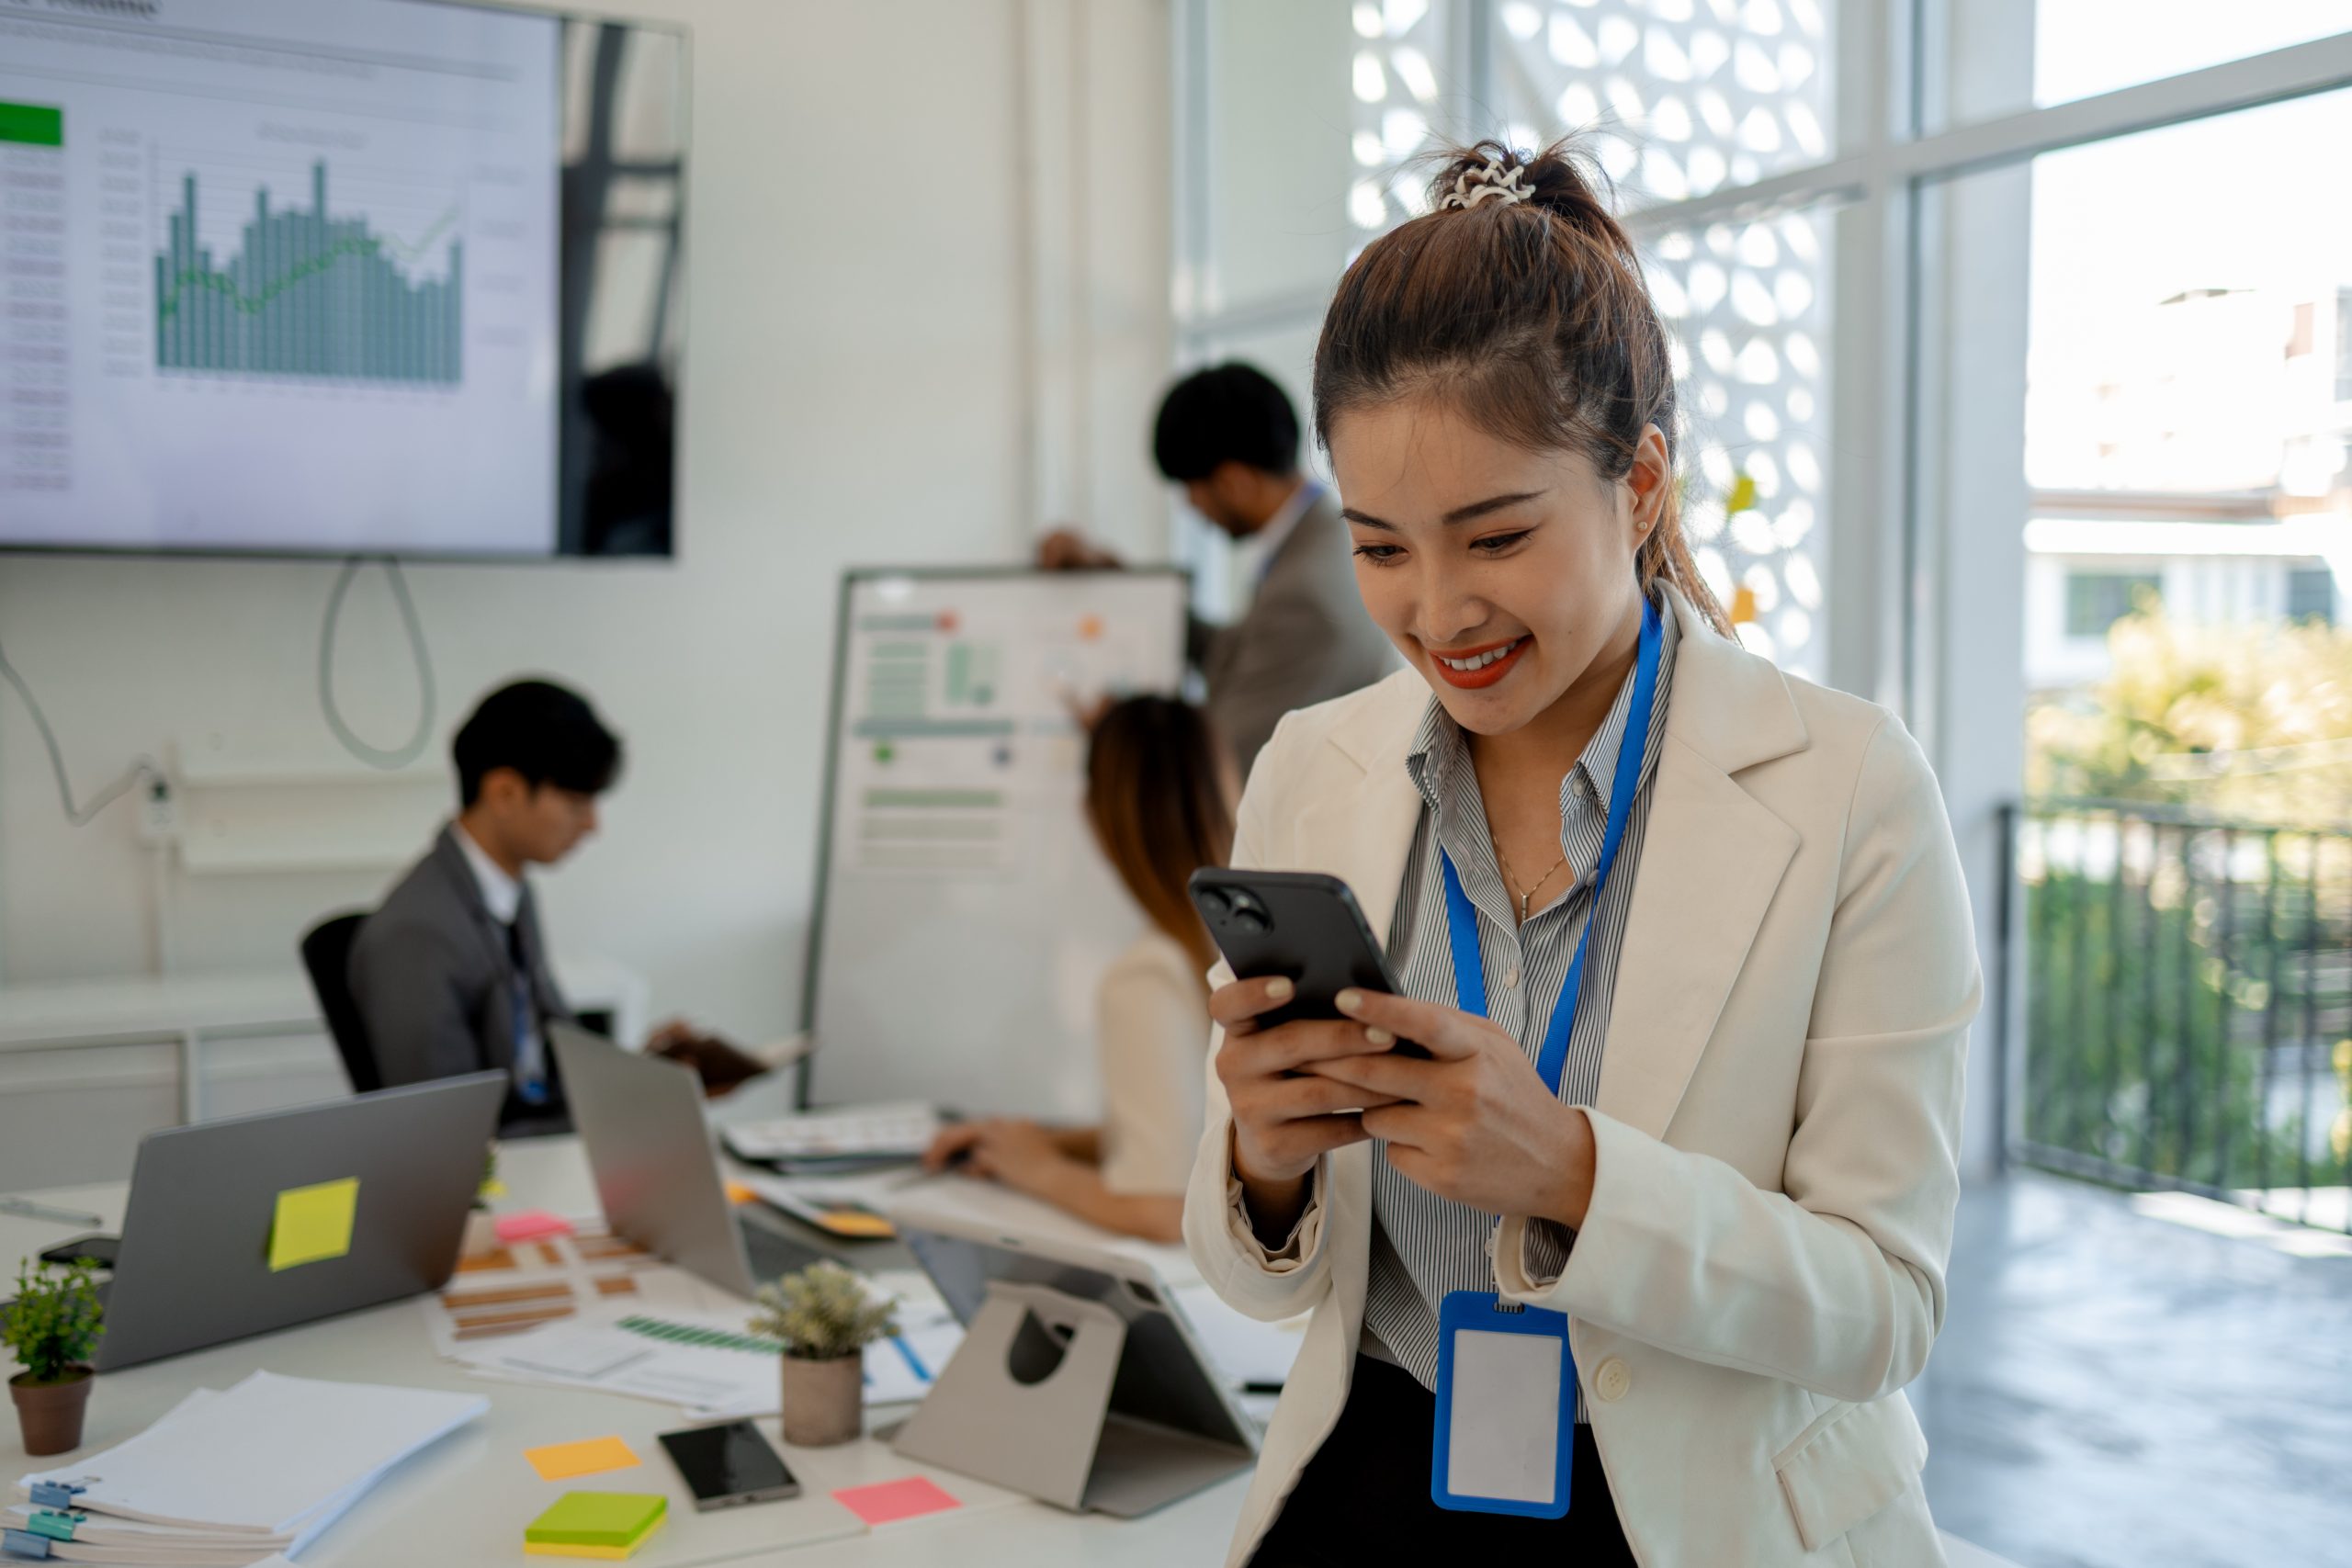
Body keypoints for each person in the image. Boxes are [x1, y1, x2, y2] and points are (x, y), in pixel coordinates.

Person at [1183, 141, 1980, 1567]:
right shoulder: (1318, 765)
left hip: (1691, 1511)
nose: (1437, 612)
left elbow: (1885, 1305)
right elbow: (1255, 1272)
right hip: (1376, 1468)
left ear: (1641, 484)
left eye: (1495, 534)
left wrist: (1570, 1170)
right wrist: (1262, 1158)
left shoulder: (1849, 786)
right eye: (1380, 546)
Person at [346, 679, 763, 1135]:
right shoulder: (420, 933)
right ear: (504, 792)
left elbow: (552, 1055)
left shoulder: (506, 891)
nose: (591, 825)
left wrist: (650, 1075)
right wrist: (629, 1110)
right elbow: (446, 1134)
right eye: (576, 802)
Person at [921, 695, 1235, 1242]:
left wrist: (1037, 1169)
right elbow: (1194, 1133)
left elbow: (1161, 1210)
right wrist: (1034, 1143)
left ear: (1097, 816)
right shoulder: (1233, 940)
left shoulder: (1147, 976)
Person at [1037, 363, 1395, 775]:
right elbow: (1245, 653)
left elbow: (1218, 764)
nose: (1191, 507)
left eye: (1191, 489)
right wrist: (1126, 589)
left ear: (1233, 481)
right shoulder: (1317, 541)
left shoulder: (1304, 595)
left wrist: (1117, 734)